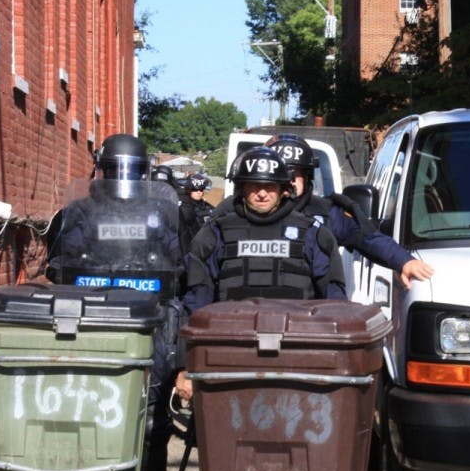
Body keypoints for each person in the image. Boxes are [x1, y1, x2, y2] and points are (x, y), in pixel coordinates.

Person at [48, 133, 189, 471]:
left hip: (152, 317)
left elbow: (180, 260)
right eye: (113, 171)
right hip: (95, 317)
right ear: (100, 170)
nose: (120, 179)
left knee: (155, 417)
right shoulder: (79, 212)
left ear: (144, 174)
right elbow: (59, 262)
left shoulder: (161, 212)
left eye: (128, 172)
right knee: (90, 407)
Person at [174, 146, 346, 402]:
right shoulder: (215, 234)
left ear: (283, 189)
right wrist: (185, 366)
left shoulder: (313, 234)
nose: (262, 193)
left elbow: (334, 305)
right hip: (229, 355)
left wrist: (339, 363)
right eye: (254, 186)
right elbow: (195, 303)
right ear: (242, 188)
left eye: (270, 186)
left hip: (296, 357)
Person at [264, 134, 435, 289]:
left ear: (308, 175)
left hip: (307, 314)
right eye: (279, 174)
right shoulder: (240, 213)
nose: (289, 181)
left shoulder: (325, 214)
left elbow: (369, 238)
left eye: (295, 174)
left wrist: (403, 261)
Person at [177, 172, 215, 257]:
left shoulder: (207, 207)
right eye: (195, 189)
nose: (199, 192)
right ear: (189, 189)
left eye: (201, 189)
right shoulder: (180, 206)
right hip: (184, 251)